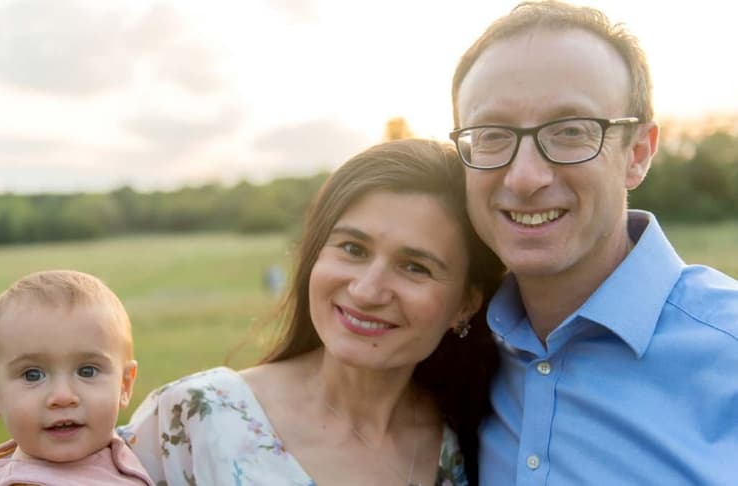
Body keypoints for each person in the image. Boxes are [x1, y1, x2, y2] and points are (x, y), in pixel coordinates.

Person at [448, 1, 738, 484]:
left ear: (638, 154)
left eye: (570, 131)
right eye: (493, 135)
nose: (524, 177)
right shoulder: (450, 344)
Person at [120, 139, 505, 485]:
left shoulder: (473, 442)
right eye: (353, 249)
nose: (366, 290)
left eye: (415, 267)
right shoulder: (192, 419)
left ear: (465, 304)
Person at [0, 270, 153, 485]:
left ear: (124, 384)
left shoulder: (117, 453)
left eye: (87, 371)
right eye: (32, 375)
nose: (63, 396)